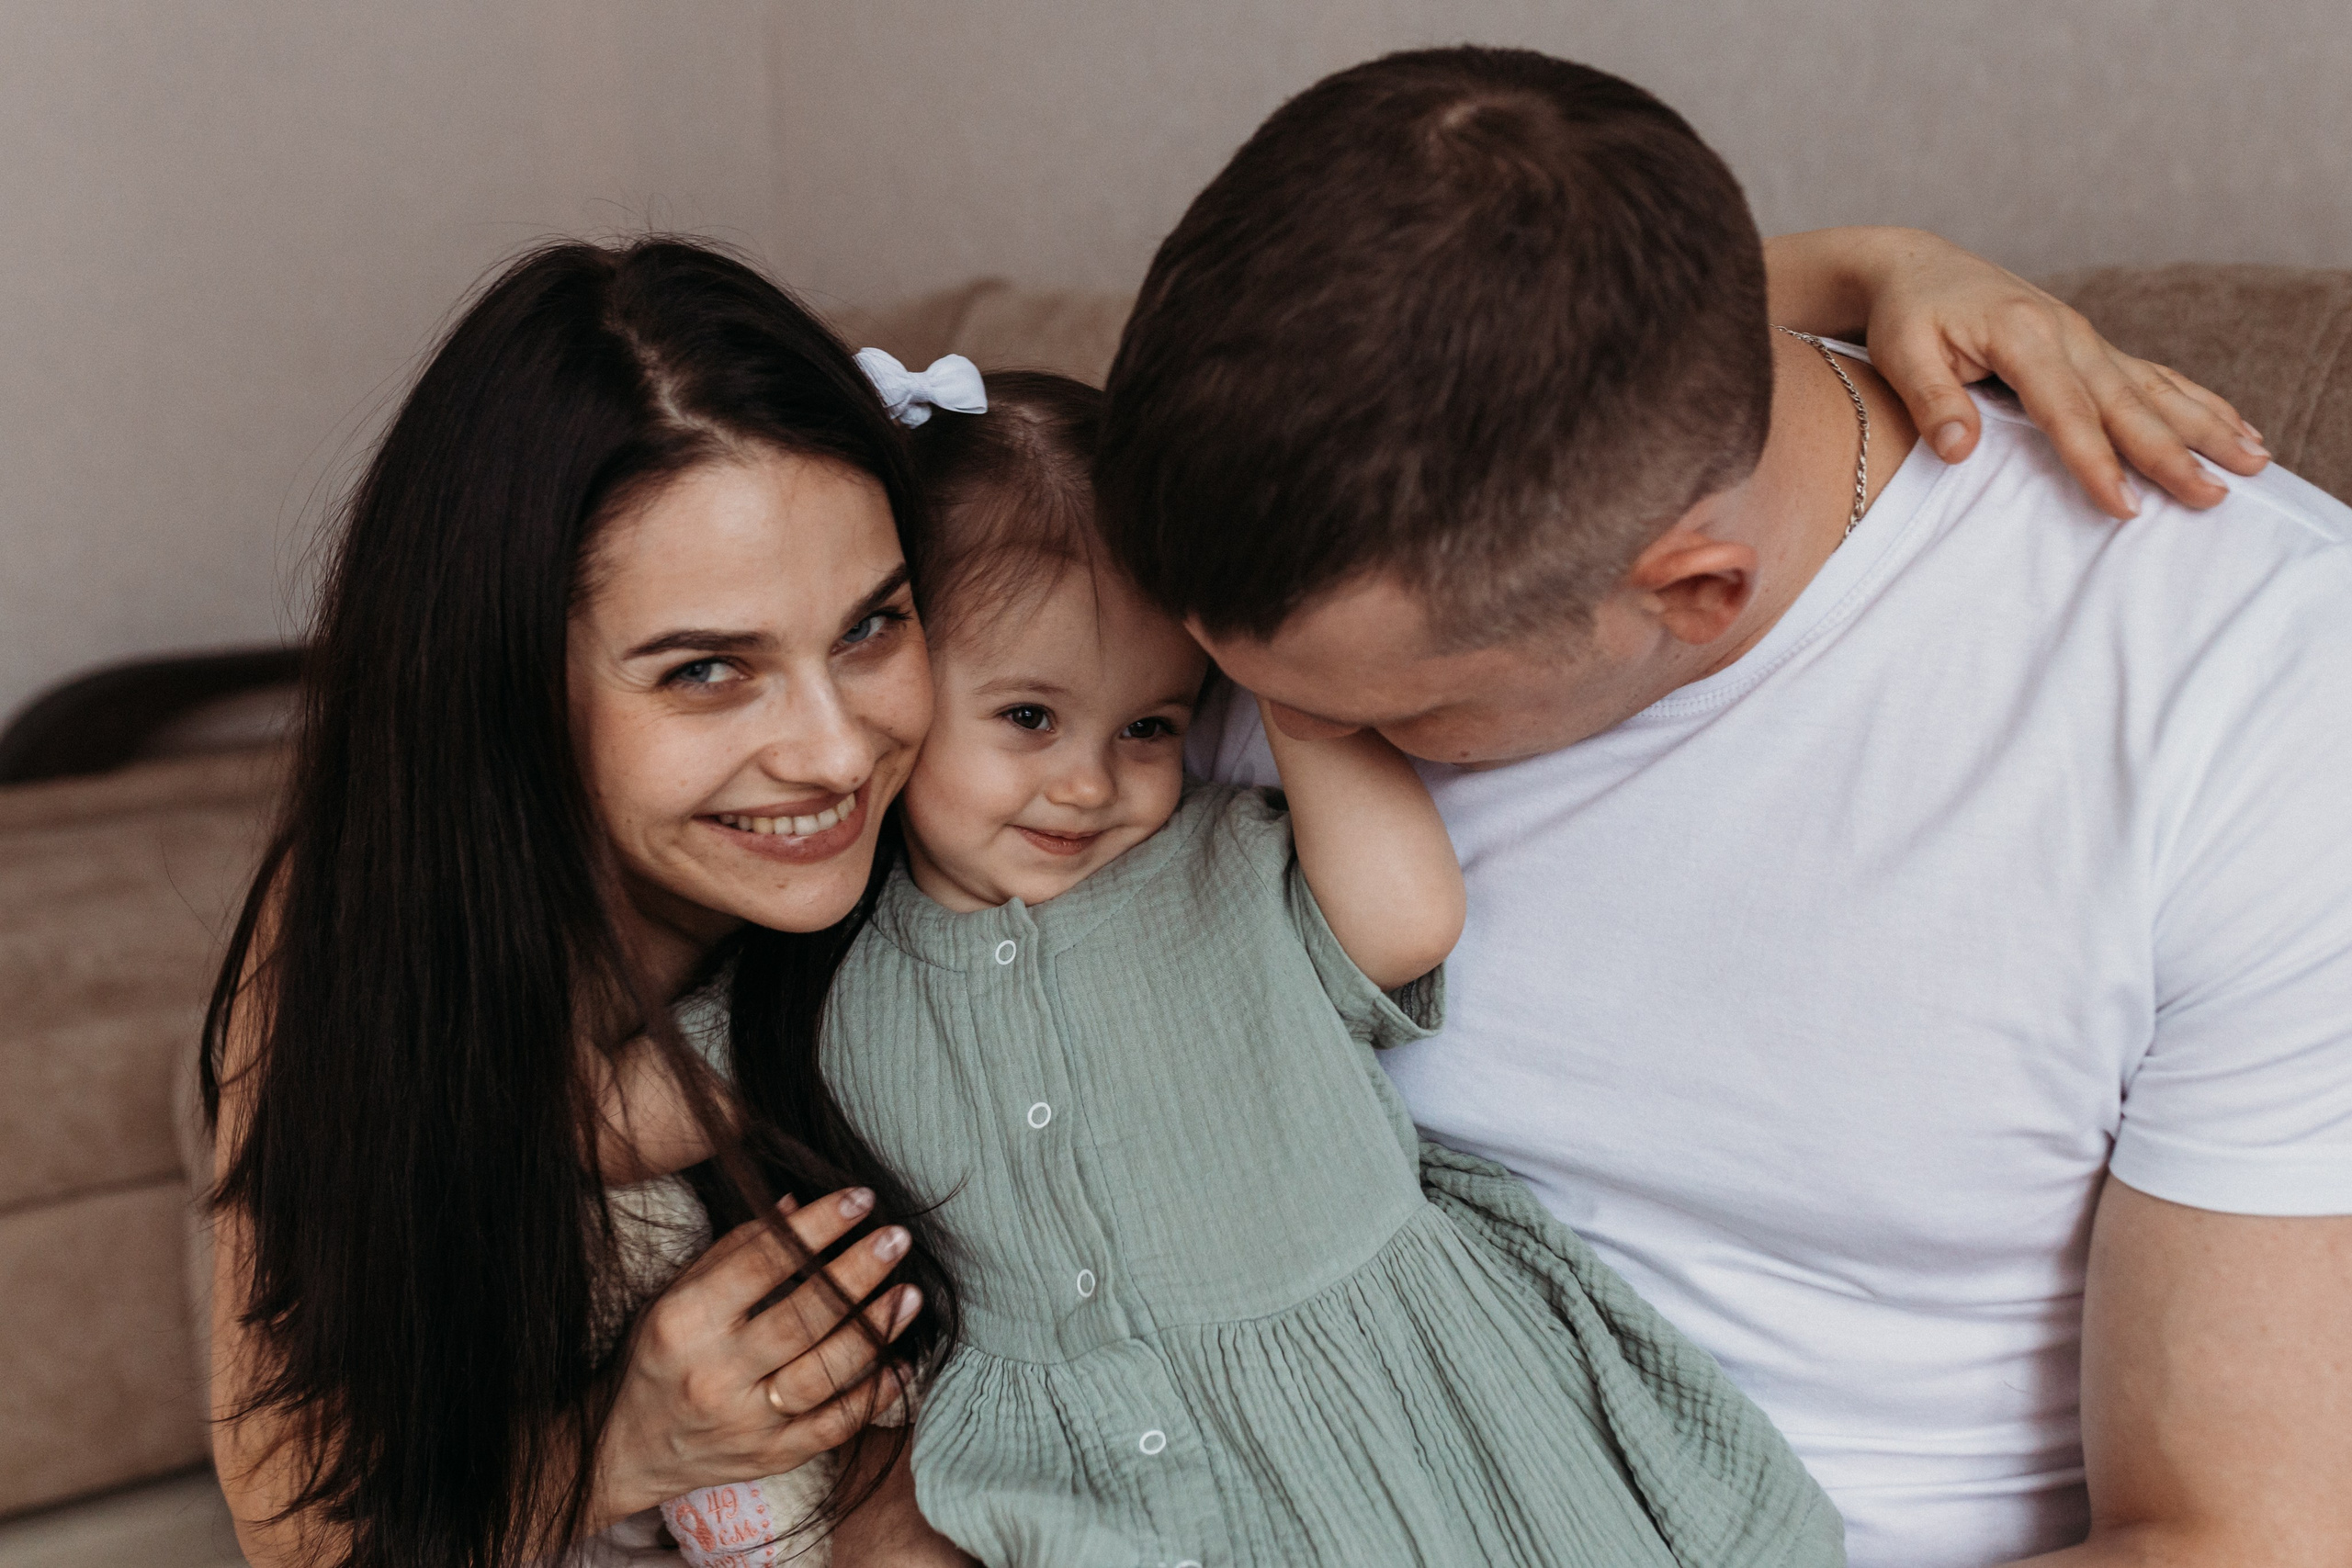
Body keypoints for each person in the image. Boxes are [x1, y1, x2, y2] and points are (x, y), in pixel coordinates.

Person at [204, 231, 2270, 1567]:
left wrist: (1864, 267)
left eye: (876, 626)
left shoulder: (1025, 781)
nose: (835, 746)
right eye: (703, 673)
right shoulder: (362, 969)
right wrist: (622, 1441)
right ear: (506, 678)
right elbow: (303, 1521)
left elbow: (1449, 373)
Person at [1096, 47, 2352, 1568]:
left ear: (1693, 591)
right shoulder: (1317, 498)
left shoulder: (2254, 700)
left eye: (1387, 718)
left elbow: (2243, 1540)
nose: (1281, 736)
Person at [641, 371, 1845, 1568]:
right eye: (1028, 718)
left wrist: (1285, 680)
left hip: (1389, 1412)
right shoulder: (821, 971)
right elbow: (622, 1117)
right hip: (1091, 1475)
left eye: (1149, 727)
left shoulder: (1222, 862)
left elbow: (1409, 923)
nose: (1089, 783)